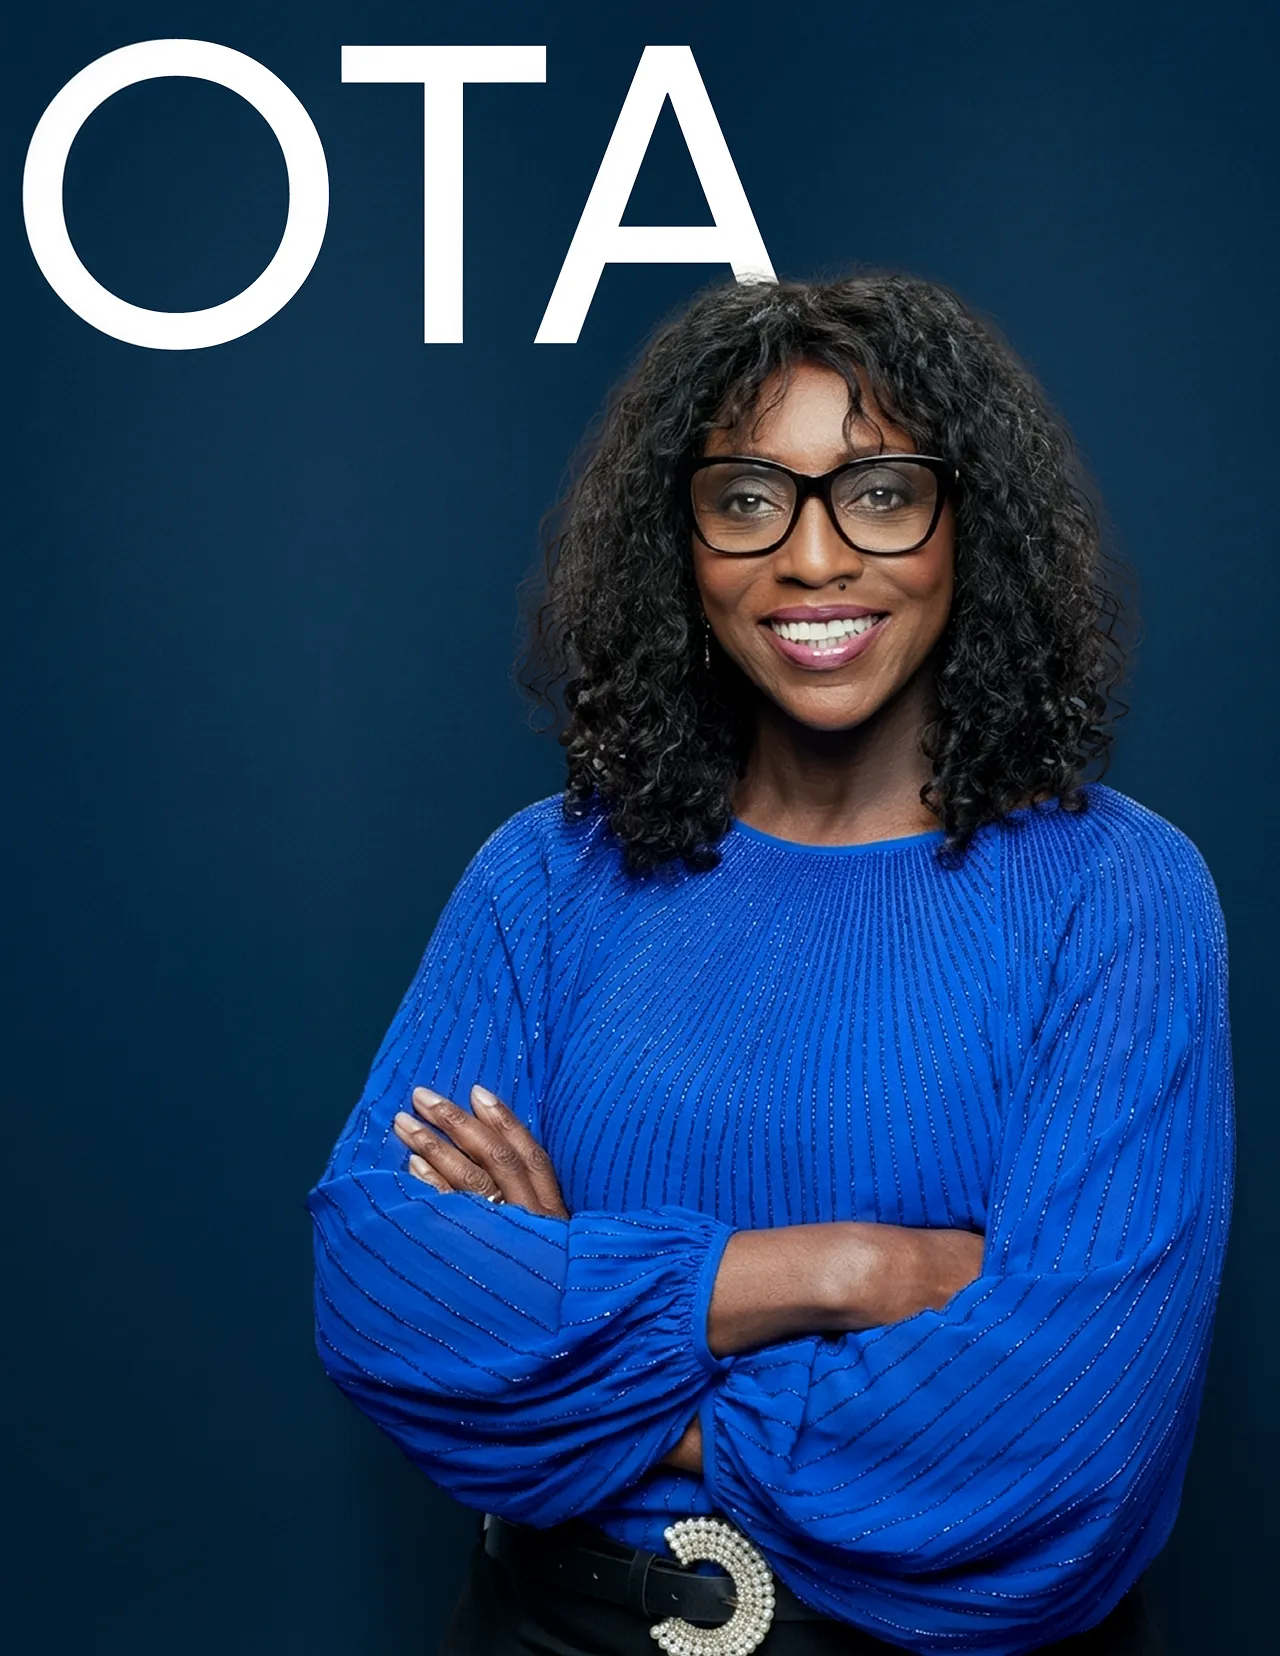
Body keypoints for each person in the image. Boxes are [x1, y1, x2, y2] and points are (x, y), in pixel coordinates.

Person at [306, 273, 1234, 1656]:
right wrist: (842, 1271)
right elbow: (385, 1291)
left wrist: (587, 1344)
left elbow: (1068, 1436)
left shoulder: (1119, 892)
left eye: (880, 492)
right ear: (677, 543)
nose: (811, 559)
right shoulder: (550, 875)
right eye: (748, 497)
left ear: (969, 525)